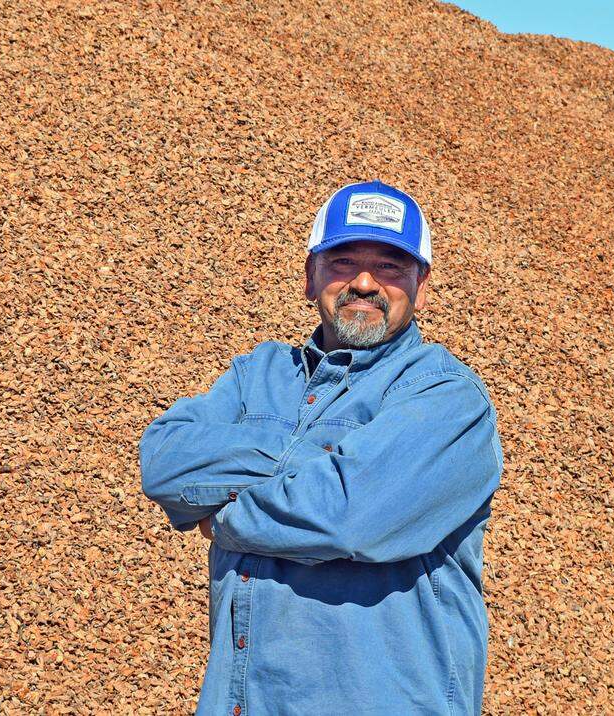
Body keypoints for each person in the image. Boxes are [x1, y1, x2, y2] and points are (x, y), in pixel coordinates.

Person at [139, 180, 504, 715]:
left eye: (390, 267)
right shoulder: (258, 372)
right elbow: (164, 460)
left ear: (421, 287)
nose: (364, 282)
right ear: (310, 276)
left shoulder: (447, 397)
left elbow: (349, 516)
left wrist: (224, 518)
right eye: (343, 261)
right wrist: (320, 460)